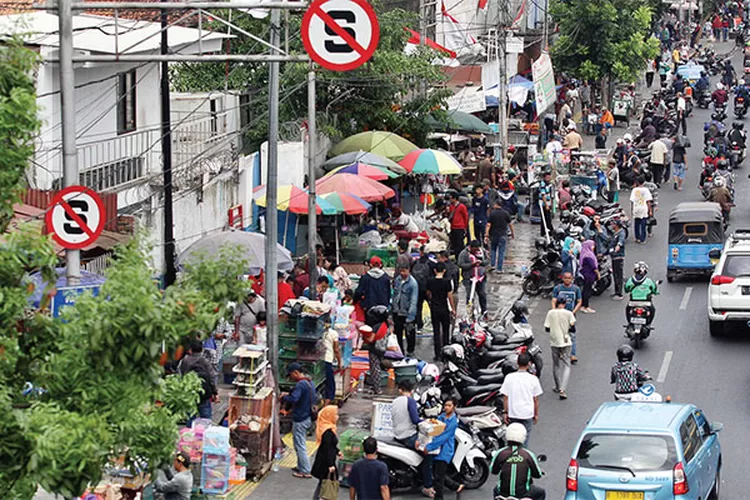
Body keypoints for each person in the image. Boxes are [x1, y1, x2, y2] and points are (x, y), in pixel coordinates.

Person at [391, 380, 433, 496]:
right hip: (408, 436)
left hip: (398, 434)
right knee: (428, 453)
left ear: (400, 390)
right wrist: (426, 421)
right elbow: (415, 419)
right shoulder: (410, 401)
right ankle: (427, 486)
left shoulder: (395, 401)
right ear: (412, 390)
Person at [422, 397, 464, 500]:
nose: (446, 408)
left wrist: (429, 447)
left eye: (449, 406)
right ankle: (456, 486)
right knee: (438, 474)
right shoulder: (441, 417)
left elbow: (443, 437)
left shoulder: (453, 422)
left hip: (444, 451)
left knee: (438, 478)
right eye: (445, 405)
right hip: (437, 450)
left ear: (454, 407)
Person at [490, 423, 546, 500]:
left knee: (496, 490)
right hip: (523, 493)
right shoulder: (528, 455)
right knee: (541, 493)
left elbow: (493, 471)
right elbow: (537, 475)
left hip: (503, 494)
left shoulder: (500, 453)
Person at [280, 362, 316, 478]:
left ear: (296, 373)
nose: (290, 378)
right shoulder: (310, 382)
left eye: (291, 375)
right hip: (307, 416)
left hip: (301, 418)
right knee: (299, 443)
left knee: (300, 444)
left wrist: (284, 397)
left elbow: (294, 399)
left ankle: (305, 470)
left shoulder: (301, 385)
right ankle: (301, 466)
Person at [499, 353, 543, 445]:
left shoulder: (509, 377)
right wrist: (536, 414)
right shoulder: (533, 379)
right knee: (524, 440)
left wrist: (505, 412)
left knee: (512, 439)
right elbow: (535, 399)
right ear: (529, 364)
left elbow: (505, 397)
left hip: (513, 414)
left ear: (517, 363)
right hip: (527, 415)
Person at [178, 339, 218, 423]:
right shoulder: (205, 361)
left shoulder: (185, 361)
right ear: (202, 349)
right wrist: (215, 392)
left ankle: (189, 434)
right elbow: (212, 377)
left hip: (189, 393)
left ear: (190, 349)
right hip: (204, 393)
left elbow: (181, 375)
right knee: (206, 418)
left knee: (190, 417)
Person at [544, 298, 575, 400]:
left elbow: (547, 328)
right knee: (567, 365)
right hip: (566, 341)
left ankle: (557, 386)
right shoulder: (569, 313)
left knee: (556, 364)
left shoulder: (550, 313)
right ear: (565, 304)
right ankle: (563, 389)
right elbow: (573, 327)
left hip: (555, 342)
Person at [426, 262, 456, 360]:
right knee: (446, 330)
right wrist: (453, 309)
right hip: (444, 308)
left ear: (435, 270)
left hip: (434, 308)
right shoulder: (447, 282)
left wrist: (431, 301)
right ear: (444, 270)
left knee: (436, 331)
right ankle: (446, 352)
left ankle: (437, 354)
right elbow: (450, 297)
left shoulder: (430, 281)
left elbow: (429, 294)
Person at [551, 272, 582, 363]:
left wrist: (573, 312)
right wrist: (554, 311)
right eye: (566, 278)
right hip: (560, 316)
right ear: (563, 279)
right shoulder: (558, 288)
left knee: (572, 335)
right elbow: (553, 300)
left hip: (570, 316)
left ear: (572, 279)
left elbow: (579, 301)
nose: (567, 280)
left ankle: (572, 354)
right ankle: (562, 352)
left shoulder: (576, 289)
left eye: (569, 278)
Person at [391, 265, 419, 357]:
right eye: (401, 271)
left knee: (409, 333)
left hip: (407, 312)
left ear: (408, 270)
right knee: (398, 333)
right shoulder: (397, 280)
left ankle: (410, 351)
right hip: (397, 311)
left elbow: (413, 301)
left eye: (404, 271)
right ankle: (400, 352)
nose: (402, 273)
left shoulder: (413, 283)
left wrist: (410, 317)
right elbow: (394, 295)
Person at [457, 240, 489, 317]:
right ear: (471, 247)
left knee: (482, 294)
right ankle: (470, 314)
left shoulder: (482, 251)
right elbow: (461, 264)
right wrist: (472, 265)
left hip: (480, 278)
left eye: (478, 249)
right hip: (469, 279)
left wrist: (481, 262)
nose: (477, 250)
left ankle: (484, 311)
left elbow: (487, 261)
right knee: (470, 296)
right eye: (475, 249)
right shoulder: (464, 254)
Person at [485, 199, 514, 272]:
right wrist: (512, 233)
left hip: (493, 235)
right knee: (501, 252)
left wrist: (486, 234)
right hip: (503, 235)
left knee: (493, 250)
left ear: (497, 205)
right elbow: (510, 224)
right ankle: (499, 269)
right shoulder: (506, 213)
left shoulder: (492, 214)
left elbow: (488, 225)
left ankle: (492, 265)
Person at [410, 246, 433, 333]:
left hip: (417, 289)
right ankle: (433, 323)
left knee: (418, 307)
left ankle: (419, 325)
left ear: (421, 253)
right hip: (427, 290)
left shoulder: (415, 263)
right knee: (432, 306)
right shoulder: (431, 264)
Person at [321, 328, 342, 407]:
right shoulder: (334, 333)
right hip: (328, 360)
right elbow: (336, 349)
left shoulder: (319, 331)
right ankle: (326, 404)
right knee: (330, 384)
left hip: (318, 359)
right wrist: (340, 362)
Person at [630, 176, 652, 244]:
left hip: (636, 207)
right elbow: (648, 201)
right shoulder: (646, 190)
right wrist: (650, 210)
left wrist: (632, 209)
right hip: (643, 207)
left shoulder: (634, 190)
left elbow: (632, 201)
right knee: (643, 224)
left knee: (636, 223)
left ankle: (637, 238)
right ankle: (643, 239)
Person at [579, 240, 599, 314]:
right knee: (587, 291)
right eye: (592, 245)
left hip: (585, 275)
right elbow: (594, 267)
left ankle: (583, 306)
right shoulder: (588, 255)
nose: (593, 247)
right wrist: (598, 274)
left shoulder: (584, 253)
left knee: (585, 290)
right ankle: (586, 306)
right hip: (589, 276)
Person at [609, 219, 627, 300]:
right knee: (615, 275)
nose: (612, 225)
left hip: (618, 256)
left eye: (613, 224)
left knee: (618, 275)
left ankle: (619, 293)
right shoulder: (615, 233)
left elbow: (621, 241)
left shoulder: (621, 233)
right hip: (613, 256)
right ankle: (616, 291)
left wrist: (618, 246)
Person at [447, 192, 469, 257]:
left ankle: (460, 257)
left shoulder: (462, 206)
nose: (450, 200)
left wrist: (465, 227)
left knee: (460, 244)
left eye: (451, 198)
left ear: (455, 199)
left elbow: (466, 217)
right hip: (453, 227)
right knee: (454, 243)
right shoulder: (451, 206)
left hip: (460, 227)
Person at [538, 171, 554, 237]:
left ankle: (548, 231)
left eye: (549, 177)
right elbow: (543, 195)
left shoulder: (550, 184)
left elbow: (550, 194)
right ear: (544, 178)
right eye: (547, 178)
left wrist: (551, 203)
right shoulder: (542, 184)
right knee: (545, 219)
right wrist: (546, 205)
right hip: (543, 204)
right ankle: (545, 232)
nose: (548, 179)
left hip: (548, 203)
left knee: (548, 218)